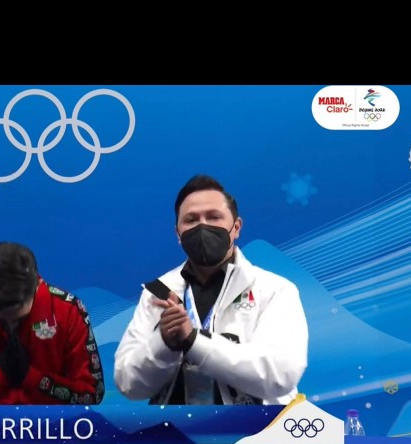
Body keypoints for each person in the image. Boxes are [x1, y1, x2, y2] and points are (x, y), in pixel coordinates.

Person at [114, 174, 308, 405]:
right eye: (191, 220)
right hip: (178, 426)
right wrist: (163, 344)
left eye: (214, 217)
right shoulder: (159, 292)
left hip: (257, 426)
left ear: (236, 227)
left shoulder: (275, 289)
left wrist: (193, 341)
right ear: (178, 234)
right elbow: (128, 384)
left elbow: (280, 375)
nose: (202, 226)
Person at [0, 241, 105, 405]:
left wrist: (34, 379)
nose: (8, 319)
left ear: (35, 288)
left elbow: (91, 395)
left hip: (52, 426)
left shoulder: (69, 311)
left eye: (14, 311)